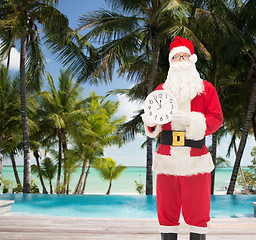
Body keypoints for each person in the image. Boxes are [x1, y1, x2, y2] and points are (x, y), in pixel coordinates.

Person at [141, 36, 223, 240]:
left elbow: (217, 119)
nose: (180, 61)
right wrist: (149, 121)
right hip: (167, 159)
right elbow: (153, 125)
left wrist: (191, 120)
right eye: (176, 57)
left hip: (196, 159)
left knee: (198, 214)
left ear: (192, 60)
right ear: (171, 62)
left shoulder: (207, 89)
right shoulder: (161, 90)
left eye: (184, 56)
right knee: (166, 214)